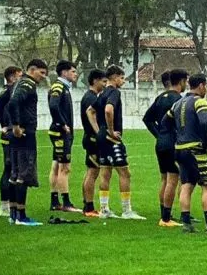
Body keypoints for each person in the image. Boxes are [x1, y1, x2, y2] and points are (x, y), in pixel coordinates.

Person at [162, 73, 207, 234]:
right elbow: (205, 123)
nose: (206, 89)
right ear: (201, 85)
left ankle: (186, 224)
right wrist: (205, 142)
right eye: (206, 85)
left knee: (187, 184)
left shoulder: (178, 103)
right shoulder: (200, 102)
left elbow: (165, 121)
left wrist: (178, 135)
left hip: (180, 148)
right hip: (195, 149)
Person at [91, 64, 144, 220]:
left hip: (101, 137)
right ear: (114, 77)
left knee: (105, 172)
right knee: (125, 173)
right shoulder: (114, 92)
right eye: (122, 78)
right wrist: (111, 130)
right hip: (111, 139)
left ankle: (104, 209)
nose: (123, 81)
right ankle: (126, 211)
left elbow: (90, 111)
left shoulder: (101, 94)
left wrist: (99, 130)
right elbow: (109, 110)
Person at [143, 69, 187, 227]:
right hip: (172, 144)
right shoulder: (178, 100)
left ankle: (165, 213)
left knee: (165, 178)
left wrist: (159, 134)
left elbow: (147, 119)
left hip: (161, 143)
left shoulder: (160, 98)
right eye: (185, 81)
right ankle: (166, 218)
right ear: (181, 81)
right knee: (173, 179)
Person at [7, 59, 47, 226]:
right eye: (42, 73)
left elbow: (6, 103)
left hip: (17, 136)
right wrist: (16, 126)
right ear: (32, 69)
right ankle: (21, 217)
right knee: (24, 174)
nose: (43, 77)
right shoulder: (27, 85)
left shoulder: (19, 83)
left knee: (15, 174)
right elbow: (13, 103)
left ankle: (13, 213)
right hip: (25, 134)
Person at [47, 60, 80, 212]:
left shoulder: (63, 87)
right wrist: (62, 124)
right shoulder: (58, 87)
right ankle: (66, 203)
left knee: (56, 166)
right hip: (61, 133)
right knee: (65, 168)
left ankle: (54, 202)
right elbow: (53, 105)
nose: (76, 74)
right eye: (73, 71)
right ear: (64, 72)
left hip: (58, 132)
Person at [0, 65, 21, 218]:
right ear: (12, 77)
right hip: (9, 135)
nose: (21, 78)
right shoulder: (8, 91)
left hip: (13, 133)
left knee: (14, 169)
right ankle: (4, 205)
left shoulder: (14, 90)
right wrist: (4, 125)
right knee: (9, 169)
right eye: (19, 75)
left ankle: (12, 204)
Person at [79, 69, 106, 217]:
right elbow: (92, 115)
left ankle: (87, 204)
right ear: (95, 80)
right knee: (92, 172)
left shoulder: (91, 96)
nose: (104, 84)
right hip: (92, 139)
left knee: (91, 171)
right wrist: (98, 133)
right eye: (103, 81)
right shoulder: (90, 98)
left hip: (90, 138)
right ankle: (89, 207)